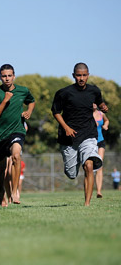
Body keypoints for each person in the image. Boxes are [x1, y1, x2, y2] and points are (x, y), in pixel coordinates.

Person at [51, 62, 108, 206]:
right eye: (78, 75)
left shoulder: (94, 91)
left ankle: (87, 203)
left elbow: (100, 103)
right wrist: (66, 128)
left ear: (88, 75)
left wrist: (103, 107)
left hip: (88, 133)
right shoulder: (64, 93)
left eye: (84, 75)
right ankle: (72, 164)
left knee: (89, 165)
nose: (81, 78)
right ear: (73, 76)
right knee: (71, 174)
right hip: (68, 137)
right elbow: (56, 112)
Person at [0, 64, 35, 207]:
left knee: (16, 156)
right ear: (0, 77)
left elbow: (31, 101)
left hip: (17, 130)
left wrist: (29, 112)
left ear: (14, 76)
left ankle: (14, 192)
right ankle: (3, 192)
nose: (7, 79)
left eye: (9, 76)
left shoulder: (23, 91)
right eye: (4, 76)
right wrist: (5, 100)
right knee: (2, 168)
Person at [93, 103, 109, 198]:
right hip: (90, 142)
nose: (94, 104)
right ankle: (89, 188)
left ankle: (99, 191)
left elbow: (106, 121)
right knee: (90, 167)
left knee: (100, 165)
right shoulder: (86, 114)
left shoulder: (101, 113)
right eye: (92, 102)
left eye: (95, 102)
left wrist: (105, 125)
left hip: (100, 142)